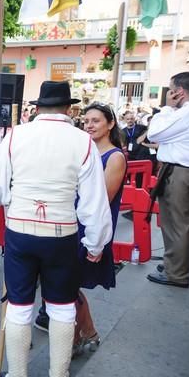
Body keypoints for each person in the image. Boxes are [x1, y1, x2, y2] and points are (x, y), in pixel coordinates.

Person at [0, 81, 112, 377]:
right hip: (62, 235)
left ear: (37, 108)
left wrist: (16, 200)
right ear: (69, 108)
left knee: (18, 306)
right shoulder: (83, 141)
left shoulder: (16, 136)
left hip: (20, 233)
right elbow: (94, 201)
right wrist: (95, 244)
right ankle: (58, 373)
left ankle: (17, 374)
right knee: (62, 306)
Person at [71, 102, 127, 355]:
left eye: (96, 121)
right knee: (69, 284)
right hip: (73, 221)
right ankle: (87, 333)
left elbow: (101, 199)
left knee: (69, 285)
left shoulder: (114, 157)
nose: (89, 125)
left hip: (91, 226)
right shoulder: (85, 150)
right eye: (87, 121)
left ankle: (74, 340)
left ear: (111, 124)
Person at [146, 72, 189, 288]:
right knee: (180, 223)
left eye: (170, 88)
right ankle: (174, 263)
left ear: (179, 92)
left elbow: (154, 133)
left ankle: (176, 272)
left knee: (176, 224)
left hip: (181, 173)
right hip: (182, 170)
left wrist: (166, 108)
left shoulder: (187, 112)